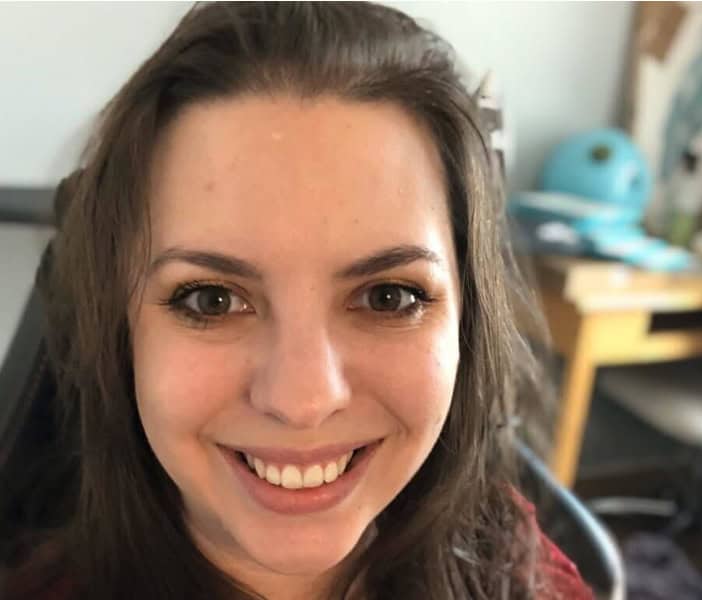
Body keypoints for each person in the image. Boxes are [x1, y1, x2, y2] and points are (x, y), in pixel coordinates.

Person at [1, 3, 592, 599]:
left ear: (466, 319)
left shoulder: (522, 570)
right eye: (211, 300)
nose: (303, 401)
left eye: (388, 297)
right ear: (120, 330)